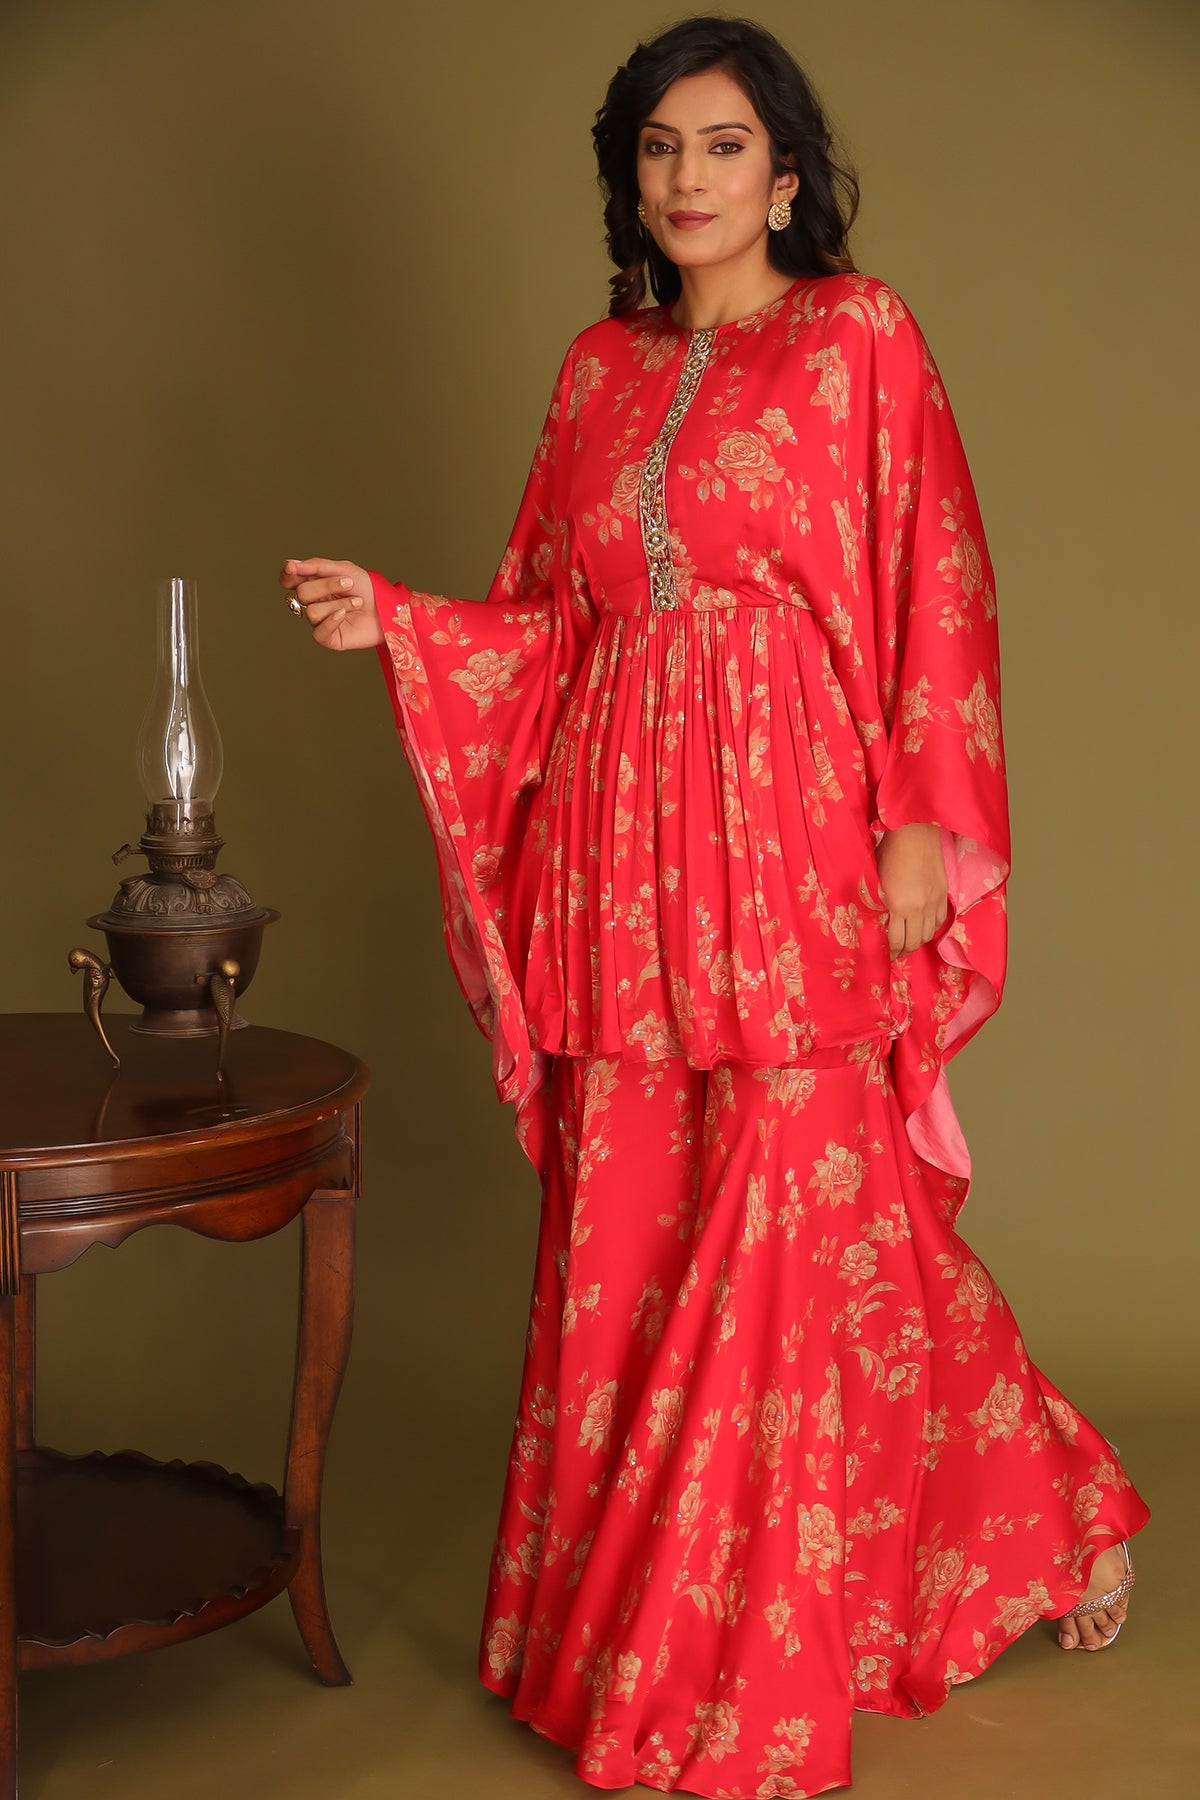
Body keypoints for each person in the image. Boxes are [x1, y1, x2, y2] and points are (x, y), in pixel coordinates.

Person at [279, 16, 1149, 1798]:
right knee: (642, 1219)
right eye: (661, 148)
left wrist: (923, 827)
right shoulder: (597, 371)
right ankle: (726, 1598)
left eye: (726, 145)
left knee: (810, 1207)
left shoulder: (860, 338)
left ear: (789, 175)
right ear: (633, 178)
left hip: (795, 832)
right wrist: (405, 623)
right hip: (617, 847)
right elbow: (554, 621)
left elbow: (937, 583)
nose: (690, 178)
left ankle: (945, 1560)